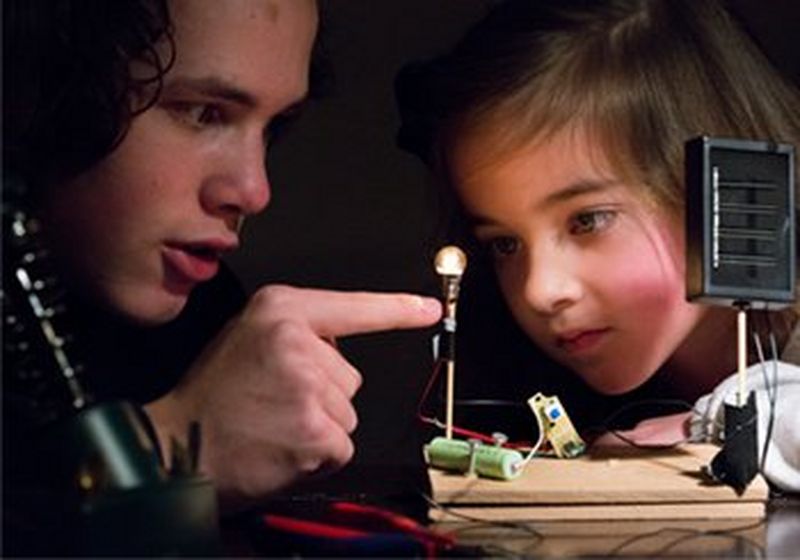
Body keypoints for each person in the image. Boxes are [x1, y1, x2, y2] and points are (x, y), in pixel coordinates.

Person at [3, 0, 442, 543]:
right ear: (42, 89)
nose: (254, 192)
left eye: (273, 127)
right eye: (203, 112)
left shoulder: (207, 320)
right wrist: (173, 452)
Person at [396, 0, 800, 491]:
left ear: (727, 186)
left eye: (588, 220)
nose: (539, 291)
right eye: (504, 244)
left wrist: (721, 423)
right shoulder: (520, 383)